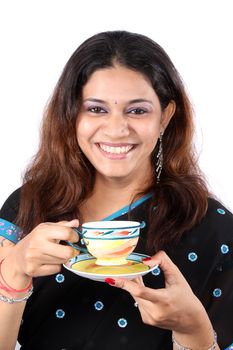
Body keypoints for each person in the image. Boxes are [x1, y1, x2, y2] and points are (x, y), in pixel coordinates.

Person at [0, 30, 232, 350]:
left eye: (137, 110)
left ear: (165, 117)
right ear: (71, 115)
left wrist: (194, 331)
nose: (116, 129)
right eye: (96, 109)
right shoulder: (26, 207)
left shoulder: (215, 228)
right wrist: (13, 271)